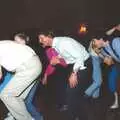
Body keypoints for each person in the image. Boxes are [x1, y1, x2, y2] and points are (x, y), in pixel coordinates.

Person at [38, 32, 93, 120]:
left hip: (83, 65)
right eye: (39, 39)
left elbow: (79, 57)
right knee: (75, 95)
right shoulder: (56, 45)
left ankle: (74, 116)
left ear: (49, 36)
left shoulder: (62, 43)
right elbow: (69, 57)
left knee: (71, 94)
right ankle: (81, 116)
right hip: (77, 64)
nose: (40, 41)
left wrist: (74, 73)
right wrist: (58, 59)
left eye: (41, 38)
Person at [2, 33, 44, 120]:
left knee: (6, 95)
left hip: (28, 66)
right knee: (18, 98)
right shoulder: (5, 44)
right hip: (32, 65)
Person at [91, 36, 120, 109]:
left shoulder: (115, 42)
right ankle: (116, 101)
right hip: (117, 64)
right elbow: (109, 62)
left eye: (94, 42)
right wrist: (99, 53)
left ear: (100, 38)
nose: (93, 45)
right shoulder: (104, 49)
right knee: (111, 80)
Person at [42, 47, 68, 111]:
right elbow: (50, 64)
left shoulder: (58, 47)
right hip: (55, 72)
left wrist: (45, 75)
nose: (41, 41)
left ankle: (63, 104)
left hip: (61, 70)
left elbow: (64, 62)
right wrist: (45, 75)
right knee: (58, 89)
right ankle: (61, 104)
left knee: (61, 88)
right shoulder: (48, 51)